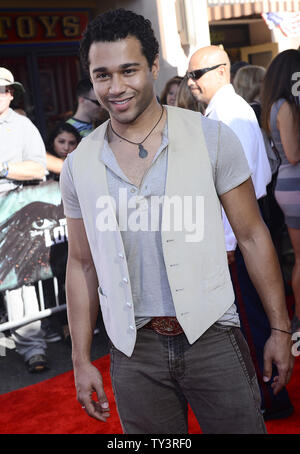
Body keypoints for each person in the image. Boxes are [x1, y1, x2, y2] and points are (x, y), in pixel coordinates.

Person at [60, 9, 293, 434]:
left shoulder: (211, 137)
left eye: (128, 70)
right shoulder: (79, 165)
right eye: (102, 75)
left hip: (214, 336)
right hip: (134, 351)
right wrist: (79, 360)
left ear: (153, 66)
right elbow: (81, 264)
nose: (116, 88)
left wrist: (279, 328)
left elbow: (253, 235)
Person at [187, 46, 294, 420]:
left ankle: (269, 397)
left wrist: (230, 244)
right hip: (244, 225)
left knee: (251, 322)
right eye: (189, 75)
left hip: (241, 229)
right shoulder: (226, 113)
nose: (191, 83)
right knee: (249, 319)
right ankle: (267, 396)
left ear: (221, 72)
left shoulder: (229, 116)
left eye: (196, 74)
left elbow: (239, 188)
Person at [0, 67, 48, 372]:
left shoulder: (22, 125)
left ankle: (33, 347)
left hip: (12, 211)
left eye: (5, 90)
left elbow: (38, 168)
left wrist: (3, 169)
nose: (2, 95)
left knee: (20, 282)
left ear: (12, 93)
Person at [261, 49, 300, 341]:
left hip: (288, 186)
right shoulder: (285, 106)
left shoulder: (275, 104)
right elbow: (293, 153)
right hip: (294, 185)